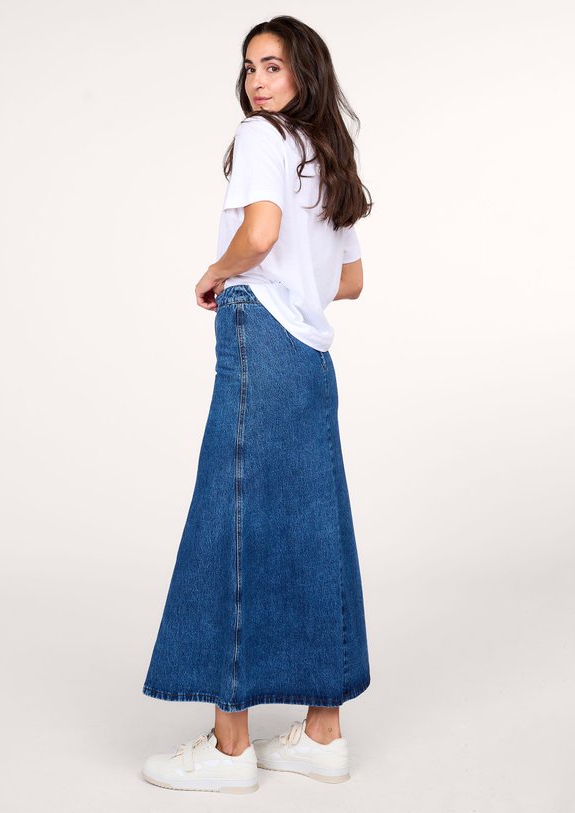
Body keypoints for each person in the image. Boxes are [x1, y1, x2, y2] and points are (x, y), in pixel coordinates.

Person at [141, 15, 373, 794]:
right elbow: (350, 280)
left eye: (272, 66)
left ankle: (230, 746)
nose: (257, 82)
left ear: (304, 71)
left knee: (231, 519)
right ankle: (322, 733)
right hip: (310, 353)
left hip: (259, 334)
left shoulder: (259, 137)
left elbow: (262, 232)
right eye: (249, 68)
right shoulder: (327, 154)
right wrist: (300, 282)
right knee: (314, 524)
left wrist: (217, 271)